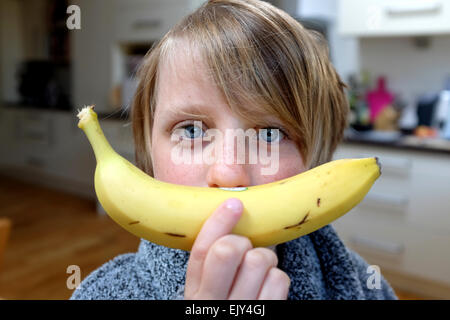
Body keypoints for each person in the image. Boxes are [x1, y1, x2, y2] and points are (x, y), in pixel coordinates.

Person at [71, 0, 397, 300]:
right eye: (192, 130)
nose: (228, 173)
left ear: (317, 164)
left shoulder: (363, 285)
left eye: (270, 134)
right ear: (148, 153)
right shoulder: (101, 294)